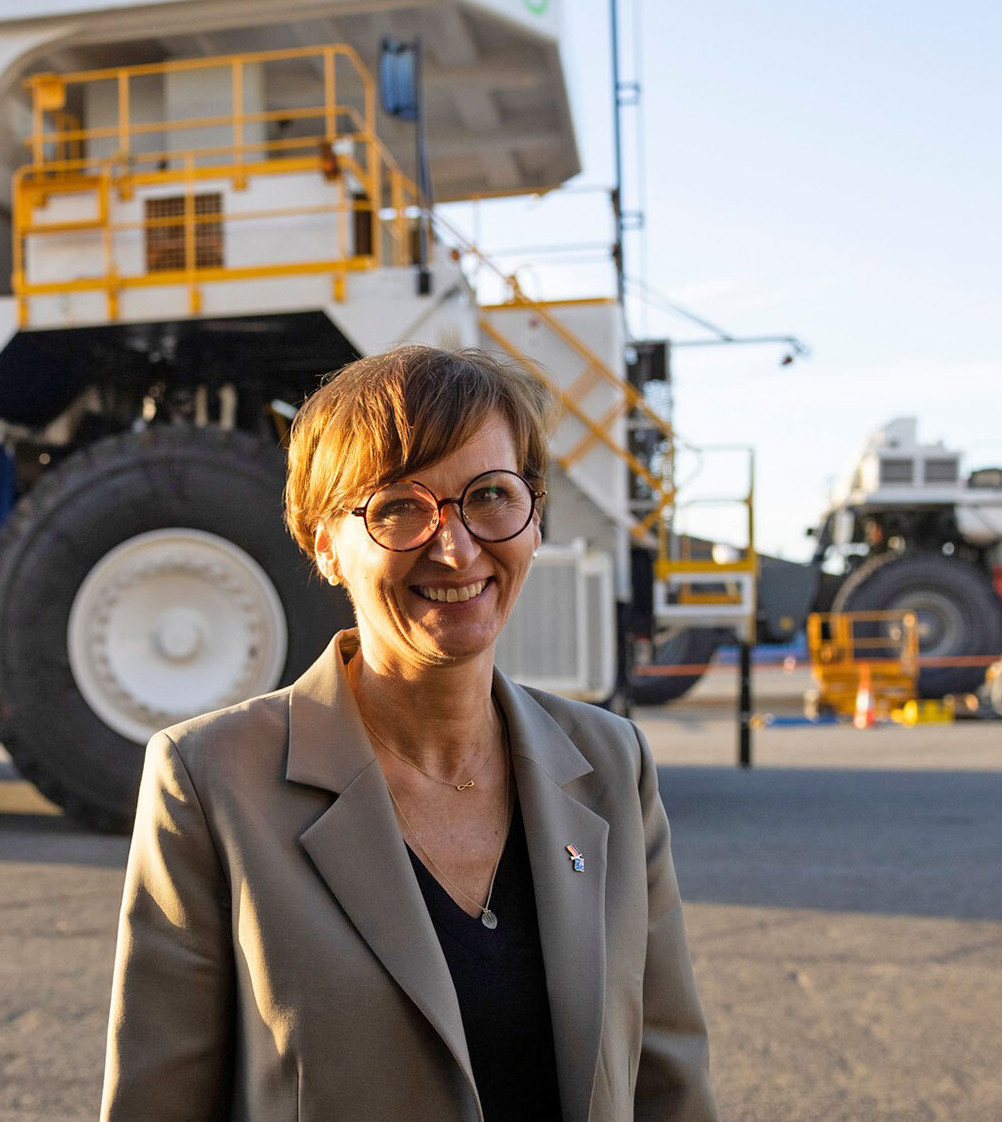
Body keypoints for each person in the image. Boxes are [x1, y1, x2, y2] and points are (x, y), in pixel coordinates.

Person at [100, 345, 718, 1122]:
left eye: (491, 495)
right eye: (398, 507)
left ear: (532, 513)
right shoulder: (212, 781)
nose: (456, 548)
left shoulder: (610, 763)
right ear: (323, 542)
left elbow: (668, 1080)